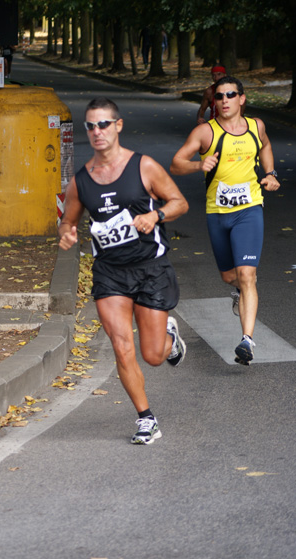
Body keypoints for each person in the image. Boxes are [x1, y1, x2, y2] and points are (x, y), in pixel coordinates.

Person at [59, 97, 189, 445]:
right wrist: (67, 233)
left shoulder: (143, 166)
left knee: (153, 355)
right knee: (121, 346)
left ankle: (169, 339)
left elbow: (179, 202)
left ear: (118, 126)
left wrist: (155, 215)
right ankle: (146, 418)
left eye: (103, 124)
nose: (96, 131)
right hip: (110, 272)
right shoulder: (82, 181)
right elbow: (68, 221)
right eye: (90, 125)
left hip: (150, 267)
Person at [170, 76, 280, 365]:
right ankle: (237, 292)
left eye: (231, 94)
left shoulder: (257, 127)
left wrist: (270, 174)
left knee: (247, 276)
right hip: (218, 213)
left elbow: (266, 146)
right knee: (230, 277)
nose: (225, 100)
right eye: (219, 96)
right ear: (214, 101)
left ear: (242, 99)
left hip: (250, 209)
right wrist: (198, 164)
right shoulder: (206, 132)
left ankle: (247, 341)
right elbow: (176, 163)